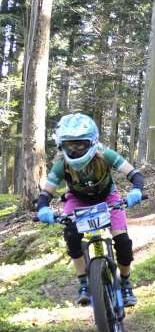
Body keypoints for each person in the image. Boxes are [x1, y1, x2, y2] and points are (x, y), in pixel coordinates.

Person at [35, 113, 145, 307]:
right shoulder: (62, 164)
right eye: (70, 145)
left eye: (81, 145)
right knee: (71, 236)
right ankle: (84, 283)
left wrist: (136, 190)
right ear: (62, 146)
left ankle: (126, 283)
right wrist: (43, 208)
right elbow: (46, 192)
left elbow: (134, 174)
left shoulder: (105, 154)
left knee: (123, 242)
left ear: (92, 142)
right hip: (77, 199)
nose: (75, 150)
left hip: (108, 197)